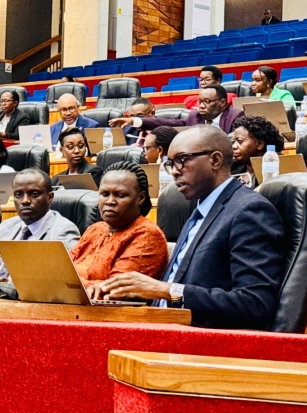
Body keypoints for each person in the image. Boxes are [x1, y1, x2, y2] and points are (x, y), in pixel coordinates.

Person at [89, 126, 285, 330]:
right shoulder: (199, 210)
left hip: (203, 342)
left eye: (182, 160)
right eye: (170, 164)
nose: (174, 171)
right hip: (161, 327)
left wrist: (167, 290)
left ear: (215, 161)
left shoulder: (249, 211)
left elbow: (255, 303)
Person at [0, 169, 81, 297]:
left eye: (34, 194)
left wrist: (8, 286)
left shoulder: (63, 230)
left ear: (50, 197)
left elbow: (61, 285)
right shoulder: (6, 227)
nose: (25, 201)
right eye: (18, 194)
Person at [69, 162, 168, 289]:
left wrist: (63, 285)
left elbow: (116, 289)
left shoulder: (147, 235)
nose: (110, 201)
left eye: (120, 195)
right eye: (104, 194)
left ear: (141, 198)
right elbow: (63, 270)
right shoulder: (95, 229)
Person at [110, 85, 243, 134]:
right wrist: (134, 120)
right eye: (200, 101)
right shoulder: (195, 117)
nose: (201, 106)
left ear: (223, 103)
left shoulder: (235, 117)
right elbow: (167, 123)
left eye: (207, 102)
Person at [230, 115, 284, 187]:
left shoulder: (277, 170)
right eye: (234, 142)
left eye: (240, 141)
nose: (233, 146)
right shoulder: (233, 167)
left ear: (259, 144)